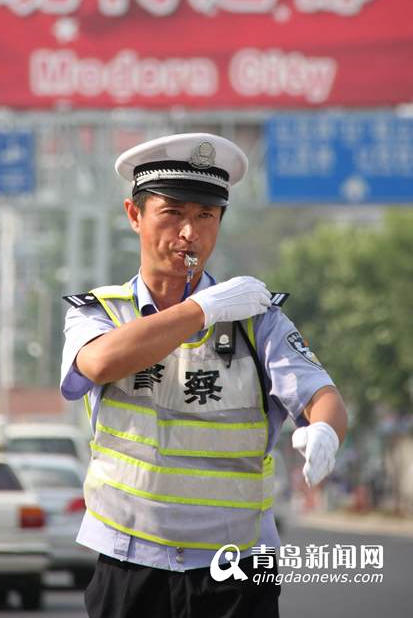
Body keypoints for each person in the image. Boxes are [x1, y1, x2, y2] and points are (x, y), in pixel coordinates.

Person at [60, 132, 348, 618]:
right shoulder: (101, 312)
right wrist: (202, 310)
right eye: (172, 213)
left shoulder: (256, 318)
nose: (189, 233)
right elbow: (100, 362)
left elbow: (322, 395)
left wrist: (325, 431)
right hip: (130, 560)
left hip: (236, 567)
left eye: (206, 216)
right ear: (134, 215)